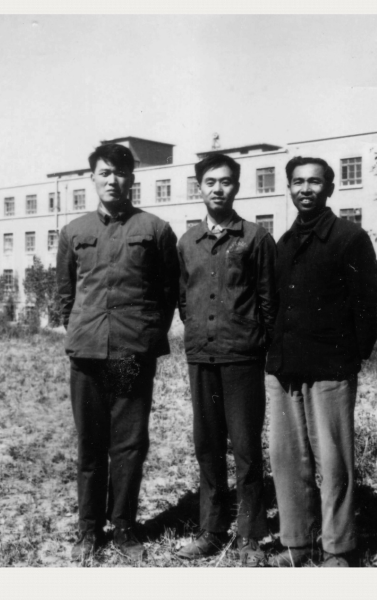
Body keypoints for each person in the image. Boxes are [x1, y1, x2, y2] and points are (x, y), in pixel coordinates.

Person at [56, 143, 179, 561]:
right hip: (88, 354)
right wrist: (81, 330)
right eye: (105, 172)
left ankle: (124, 527)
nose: (112, 180)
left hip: (129, 354)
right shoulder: (74, 231)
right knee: (91, 444)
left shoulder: (155, 229)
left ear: (132, 179)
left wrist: (145, 335)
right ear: (92, 177)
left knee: (127, 443)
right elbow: (66, 293)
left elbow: (167, 293)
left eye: (120, 173)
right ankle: (89, 530)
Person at [266, 156, 377, 567]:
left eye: (315, 182)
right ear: (289, 187)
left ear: (329, 188)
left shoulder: (350, 238)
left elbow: (371, 304)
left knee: (334, 463)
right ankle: (297, 544)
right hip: (284, 369)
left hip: (330, 368)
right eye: (298, 181)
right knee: (287, 460)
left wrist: (348, 356)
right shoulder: (283, 242)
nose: (306, 189)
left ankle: (338, 547)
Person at [176, 153, 277, 566]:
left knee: (246, 447)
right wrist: (202, 332)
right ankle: (212, 530)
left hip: (242, 358)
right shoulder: (187, 242)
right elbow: (184, 300)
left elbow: (269, 300)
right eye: (210, 182)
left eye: (226, 181)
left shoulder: (256, 238)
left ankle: (251, 535)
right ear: (199, 188)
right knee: (208, 446)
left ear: (237, 186)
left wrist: (252, 340)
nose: (218, 189)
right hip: (202, 357)